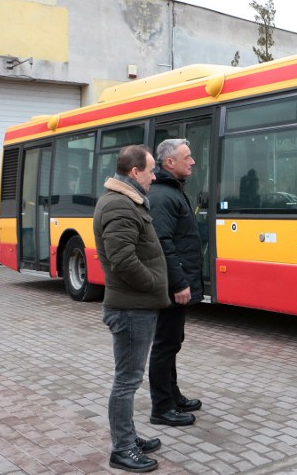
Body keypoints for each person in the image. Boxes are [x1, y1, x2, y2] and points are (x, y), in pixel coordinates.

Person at [93, 144, 170, 472]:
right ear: (135, 172)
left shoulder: (125, 200)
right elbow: (122, 260)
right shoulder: (120, 205)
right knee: (127, 380)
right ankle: (122, 449)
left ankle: (128, 436)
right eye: (151, 170)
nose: (155, 176)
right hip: (130, 309)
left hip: (134, 306)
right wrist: (153, 283)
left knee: (129, 378)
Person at [147, 139, 204, 427]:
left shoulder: (173, 192)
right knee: (165, 345)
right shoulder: (163, 196)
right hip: (170, 286)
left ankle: (173, 396)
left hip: (174, 283)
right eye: (187, 157)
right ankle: (161, 408)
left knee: (172, 342)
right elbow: (163, 244)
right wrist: (179, 283)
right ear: (169, 163)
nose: (192, 161)